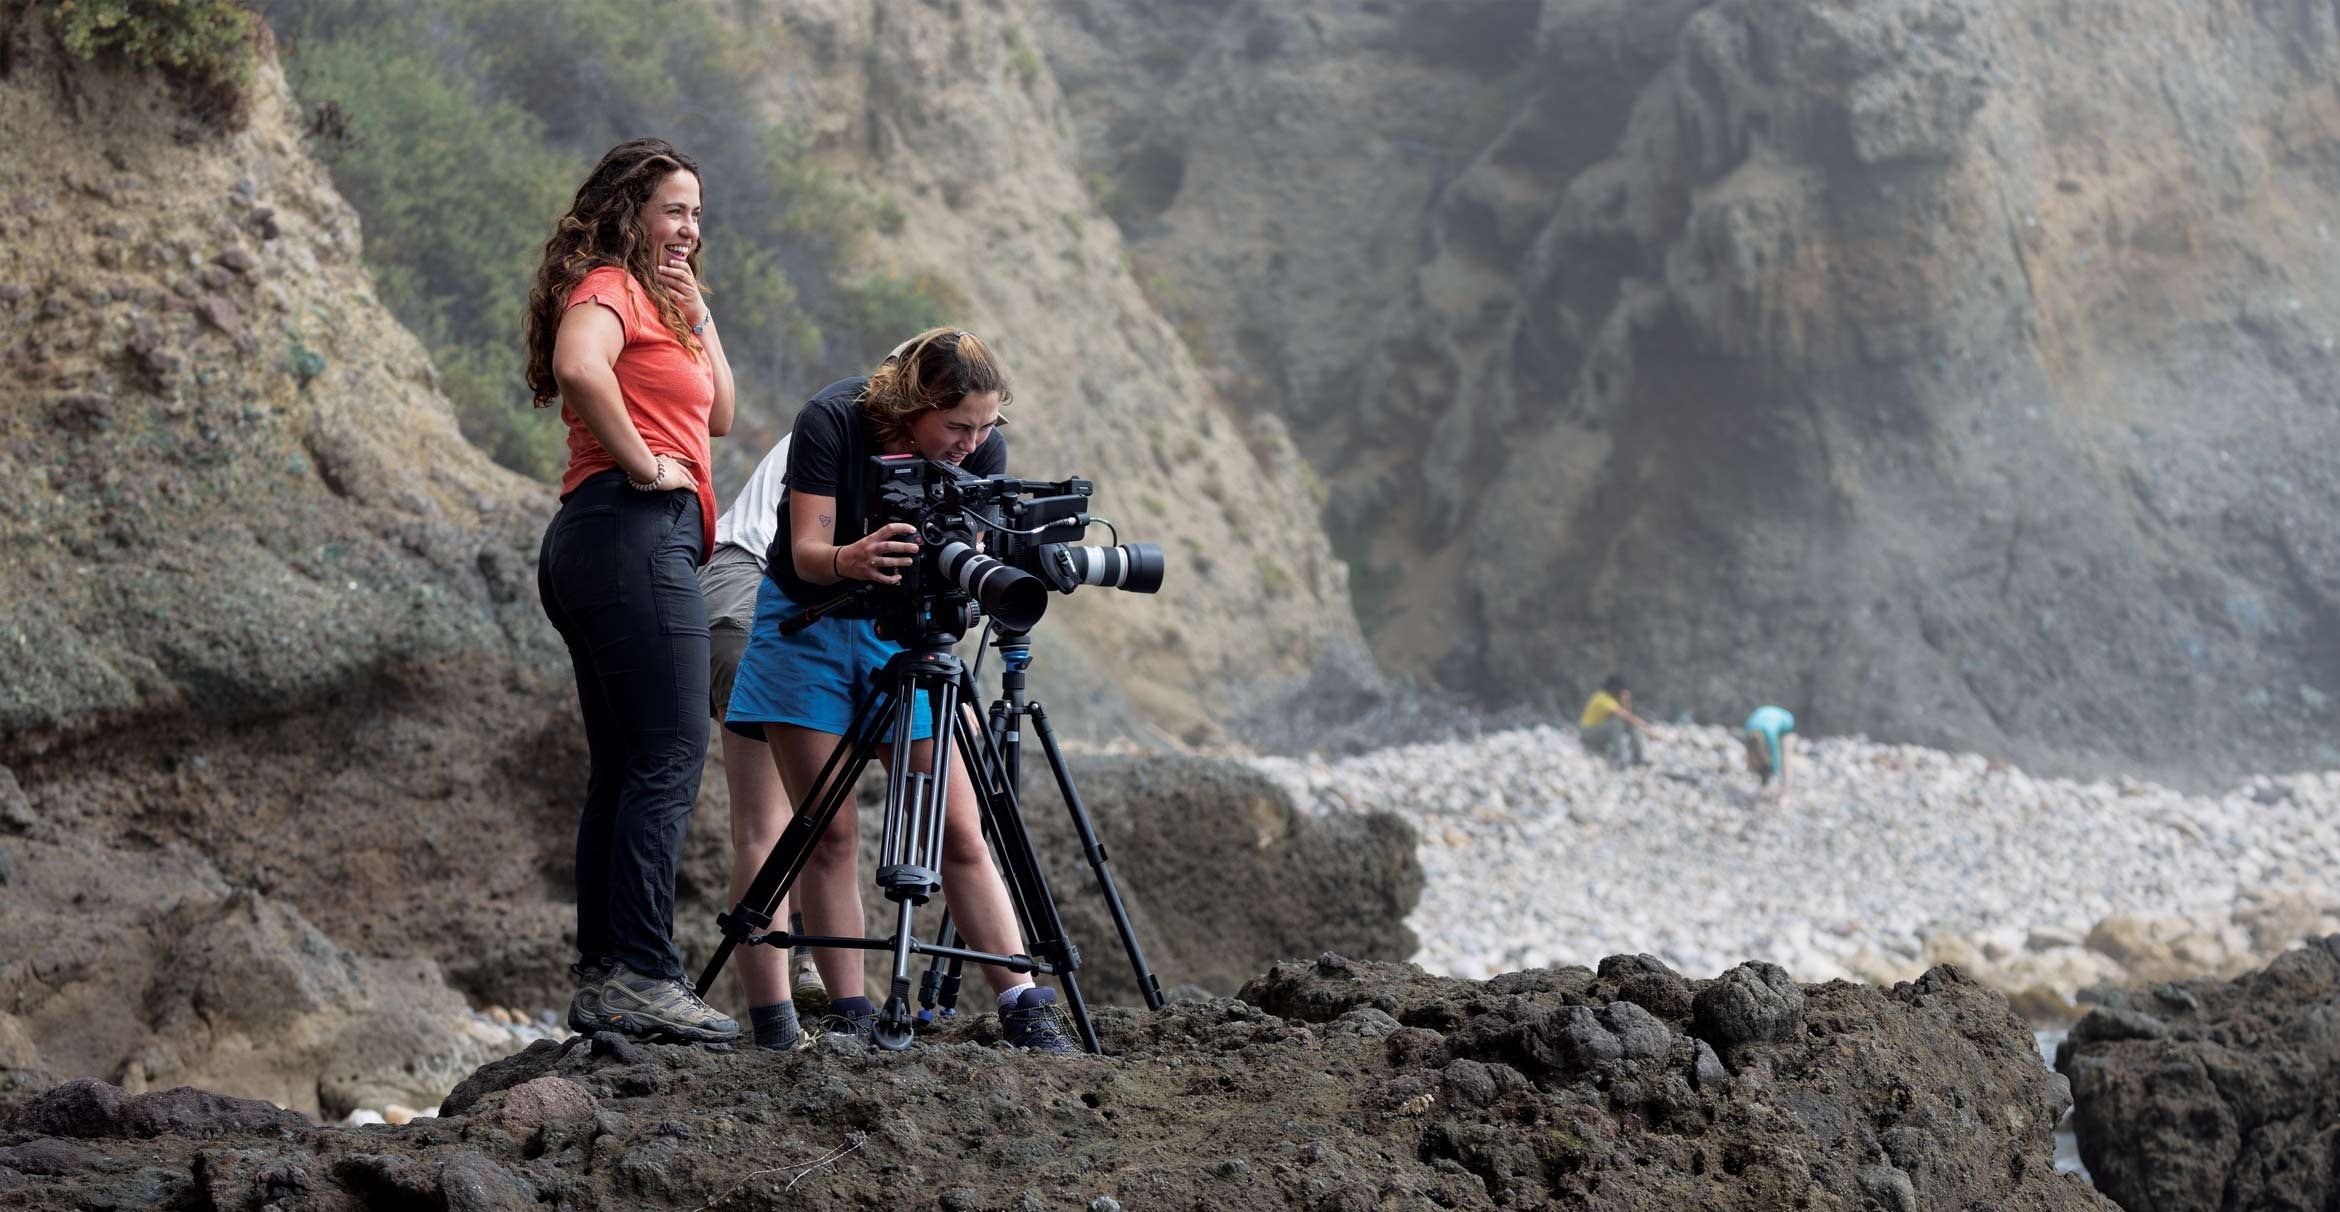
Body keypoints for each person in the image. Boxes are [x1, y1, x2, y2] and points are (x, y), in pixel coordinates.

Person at [723, 327, 1072, 1052]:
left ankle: (1023, 1001)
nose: (972, 443)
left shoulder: (980, 450)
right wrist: (853, 555)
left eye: (986, 426)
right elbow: (807, 554)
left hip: (910, 634)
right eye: (956, 426)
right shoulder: (834, 418)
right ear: (915, 405)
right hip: (808, 627)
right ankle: (851, 1014)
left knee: (957, 827)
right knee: (828, 832)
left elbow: (967, 566)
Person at [527, 137, 739, 1043]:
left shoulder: (663, 303)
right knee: (669, 757)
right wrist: (643, 461)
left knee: (624, 767)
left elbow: (720, 415)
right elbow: (581, 366)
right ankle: (646, 973)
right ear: (630, 211)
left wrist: (702, 318)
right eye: (674, 210)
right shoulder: (609, 284)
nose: (689, 226)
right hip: (630, 533)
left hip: (609, 544)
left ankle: (607, 978)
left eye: (696, 212)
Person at [700, 430, 826, 1050]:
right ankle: (784, 1008)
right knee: (772, 822)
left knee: (793, 815)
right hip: (747, 590)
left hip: (739, 592)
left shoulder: (853, 418)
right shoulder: (849, 430)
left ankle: (795, 991)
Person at [1578, 673, 1653, 766]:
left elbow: (1627, 714)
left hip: (1600, 731)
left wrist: (1626, 700)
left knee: (1629, 724)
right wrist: (1645, 726)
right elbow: (1625, 715)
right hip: (1588, 733)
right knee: (1617, 722)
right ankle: (1618, 757)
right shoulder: (1602, 698)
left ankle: (1638, 757)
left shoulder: (1614, 698)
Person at [1744, 705, 1796, 804]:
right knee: (1760, 761)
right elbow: (1750, 756)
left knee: (1785, 759)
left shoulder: (1769, 734)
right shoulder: (1748, 730)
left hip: (1786, 723)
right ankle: (1763, 787)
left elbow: (1775, 758)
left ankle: (1785, 794)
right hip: (1767, 716)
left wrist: (1773, 770)